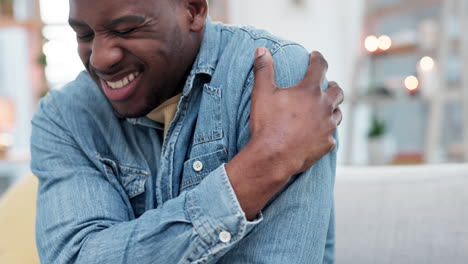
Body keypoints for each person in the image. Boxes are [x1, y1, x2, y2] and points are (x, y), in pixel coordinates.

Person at [30, 0, 344, 263]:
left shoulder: (275, 78)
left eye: (126, 30)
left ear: (192, 9)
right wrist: (263, 166)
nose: (99, 58)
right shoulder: (65, 115)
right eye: (83, 34)